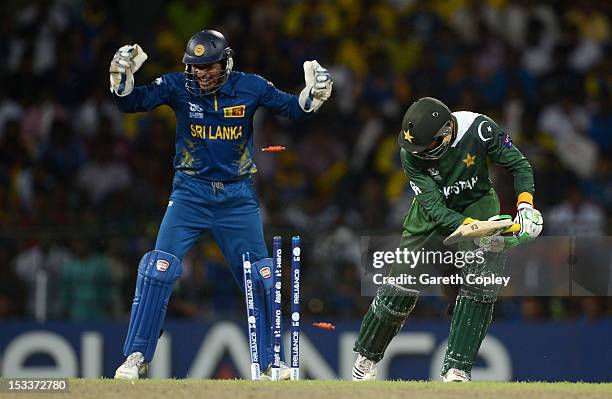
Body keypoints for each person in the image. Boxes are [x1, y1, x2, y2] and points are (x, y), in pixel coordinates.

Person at [109, 30, 332, 380]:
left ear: (225, 61)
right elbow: (133, 102)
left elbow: (293, 109)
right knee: (158, 269)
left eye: (209, 66)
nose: (201, 74)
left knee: (263, 276)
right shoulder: (177, 86)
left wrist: (312, 97)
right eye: (195, 67)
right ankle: (136, 356)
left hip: (236, 199)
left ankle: (272, 362)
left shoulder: (251, 87)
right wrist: (122, 84)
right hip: (189, 194)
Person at [351, 97, 543, 382]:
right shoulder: (410, 153)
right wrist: (477, 229)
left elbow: (520, 165)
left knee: (481, 284)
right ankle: (366, 358)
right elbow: (438, 211)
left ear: (445, 132)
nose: (418, 152)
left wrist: (525, 207)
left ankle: (457, 369)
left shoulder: (479, 129)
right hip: (431, 216)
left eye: (426, 146)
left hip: (477, 203)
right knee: (401, 287)